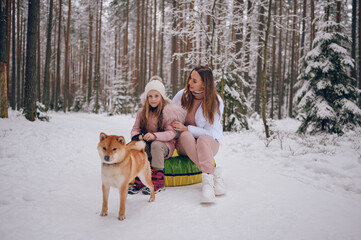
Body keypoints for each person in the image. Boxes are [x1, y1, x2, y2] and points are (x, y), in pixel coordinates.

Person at [172, 66, 225, 203]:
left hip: (209, 143)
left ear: (204, 83)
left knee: (202, 139)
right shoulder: (181, 96)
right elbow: (168, 116)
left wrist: (187, 128)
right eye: (190, 78)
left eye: (194, 81)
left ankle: (208, 183)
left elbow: (211, 132)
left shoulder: (215, 101)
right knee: (185, 135)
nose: (189, 82)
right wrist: (177, 127)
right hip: (185, 145)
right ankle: (212, 176)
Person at [129, 76, 186, 195]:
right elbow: (135, 129)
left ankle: (158, 179)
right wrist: (138, 136)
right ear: (146, 97)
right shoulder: (142, 112)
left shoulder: (168, 111)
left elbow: (171, 133)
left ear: (162, 96)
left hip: (163, 147)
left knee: (156, 144)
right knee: (137, 145)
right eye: (150, 96)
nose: (153, 99)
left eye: (156, 96)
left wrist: (155, 136)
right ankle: (139, 176)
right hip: (148, 144)